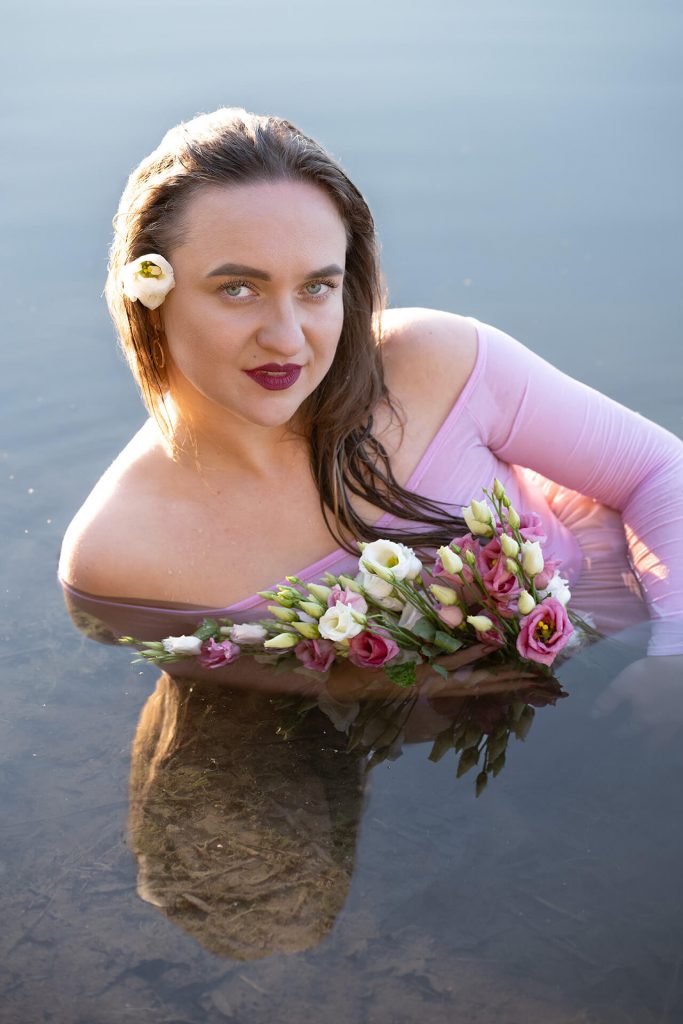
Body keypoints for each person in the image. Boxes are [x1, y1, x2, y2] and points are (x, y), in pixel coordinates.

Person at [58, 107, 683, 692]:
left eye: (315, 287)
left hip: (640, 627)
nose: (286, 338)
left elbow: (660, 470)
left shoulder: (433, 362)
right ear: (149, 291)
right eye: (238, 289)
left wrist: (672, 659)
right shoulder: (120, 557)